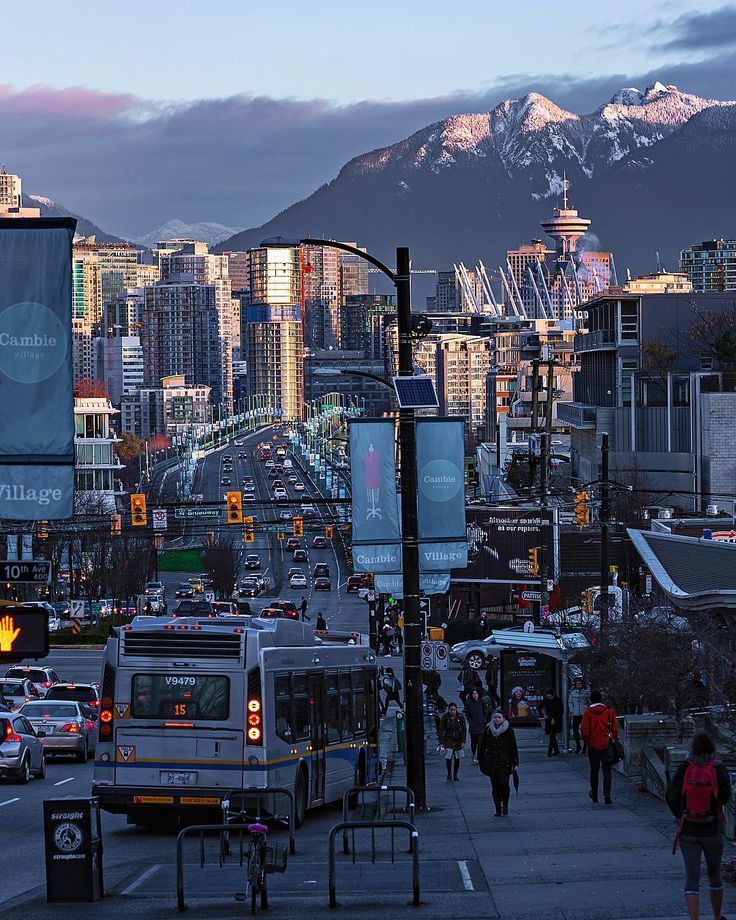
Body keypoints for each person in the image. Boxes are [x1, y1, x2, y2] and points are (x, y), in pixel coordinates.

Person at [666, 731, 732, 920]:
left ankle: (694, 918)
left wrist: (679, 815)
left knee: (692, 878)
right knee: (714, 875)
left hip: (688, 829)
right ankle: (717, 916)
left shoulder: (686, 766)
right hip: (712, 829)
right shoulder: (717, 767)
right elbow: (726, 795)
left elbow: (671, 795)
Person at [478, 710, 519, 816]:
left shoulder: (509, 730)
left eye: (499, 717)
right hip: (491, 763)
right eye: (495, 717)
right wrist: (481, 761)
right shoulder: (488, 730)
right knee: (495, 787)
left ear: (504, 718)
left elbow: (513, 747)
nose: (497, 719)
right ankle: (497, 808)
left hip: (505, 763)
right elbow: (482, 747)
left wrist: (515, 763)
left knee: (504, 785)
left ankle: (505, 805)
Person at [581, 690, 618, 804]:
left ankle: (595, 794)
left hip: (593, 745)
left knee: (594, 771)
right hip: (607, 744)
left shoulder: (588, 712)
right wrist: (612, 738)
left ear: (591, 700)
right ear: (601, 699)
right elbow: (615, 728)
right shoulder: (609, 711)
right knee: (607, 770)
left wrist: (588, 742)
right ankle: (607, 795)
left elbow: (585, 730)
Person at [439, 702, 467, 781]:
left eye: (454, 710)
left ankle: (455, 774)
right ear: (448, 710)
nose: (452, 712)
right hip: (448, 739)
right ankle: (449, 773)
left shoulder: (460, 717)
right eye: (451, 710)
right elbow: (441, 730)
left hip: (458, 740)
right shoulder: (445, 718)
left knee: (457, 758)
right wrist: (442, 742)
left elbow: (464, 730)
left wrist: (463, 741)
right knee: (448, 757)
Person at [568, 677, 591, 754]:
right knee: (575, 730)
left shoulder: (586, 692)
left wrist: (587, 710)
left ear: (582, 684)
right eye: (577, 684)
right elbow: (570, 702)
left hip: (584, 713)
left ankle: (585, 746)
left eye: (579, 684)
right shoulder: (572, 692)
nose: (578, 685)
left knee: (585, 731)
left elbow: (589, 702)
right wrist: (572, 710)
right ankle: (578, 746)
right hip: (575, 714)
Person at [538, 691, 564, 757]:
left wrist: (554, 719)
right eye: (548, 696)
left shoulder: (558, 700)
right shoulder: (546, 700)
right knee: (552, 735)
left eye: (550, 696)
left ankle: (549, 751)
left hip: (557, 718)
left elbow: (561, 711)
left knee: (552, 734)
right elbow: (539, 707)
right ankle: (556, 750)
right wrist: (543, 715)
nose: (549, 698)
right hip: (549, 718)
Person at [463, 688, 487, 762]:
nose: (475, 695)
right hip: (473, 726)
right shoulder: (469, 703)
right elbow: (467, 714)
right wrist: (471, 722)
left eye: (476, 693)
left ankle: (479, 757)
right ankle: (474, 754)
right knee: (473, 743)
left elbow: (485, 712)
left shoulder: (482, 702)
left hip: (481, 725)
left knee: (480, 742)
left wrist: (484, 722)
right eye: (473, 693)